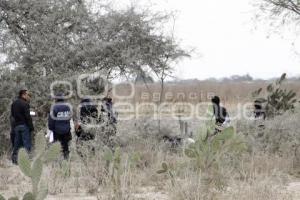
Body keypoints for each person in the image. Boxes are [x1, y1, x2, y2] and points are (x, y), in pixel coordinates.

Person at [11, 89, 34, 164]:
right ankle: (26, 161)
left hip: (16, 126)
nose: (28, 96)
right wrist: (31, 127)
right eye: (27, 95)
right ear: (23, 95)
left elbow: (12, 115)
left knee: (17, 144)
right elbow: (28, 117)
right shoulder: (25, 104)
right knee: (26, 144)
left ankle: (15, 160)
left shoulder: (14, 103)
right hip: (24, 126)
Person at [48, 94, 72, 159]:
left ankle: (58, 160)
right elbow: (69, 117)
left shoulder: (54, 107)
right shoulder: (67, 107)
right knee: (65, 146)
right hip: (66, 130)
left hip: (57, 130)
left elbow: (51, 119)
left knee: (57, 146)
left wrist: (51, 128)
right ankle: (66, 160)